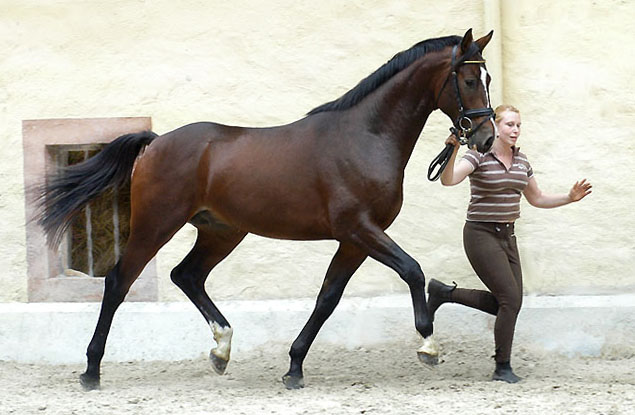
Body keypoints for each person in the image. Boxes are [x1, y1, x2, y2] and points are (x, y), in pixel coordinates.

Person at [429, 104, 592, 383]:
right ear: (495, 126)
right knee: (510, 300)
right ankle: (502, 367)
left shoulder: (522, 161)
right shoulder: (478, 154)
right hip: (480, 234)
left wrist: (569, 197)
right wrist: (454, 149)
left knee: (510, 303)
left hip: (508, 236)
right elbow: (449, 180)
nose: (515, 130)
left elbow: (537, 198)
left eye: (518, 125)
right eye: (509, 125)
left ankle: (443, 293)